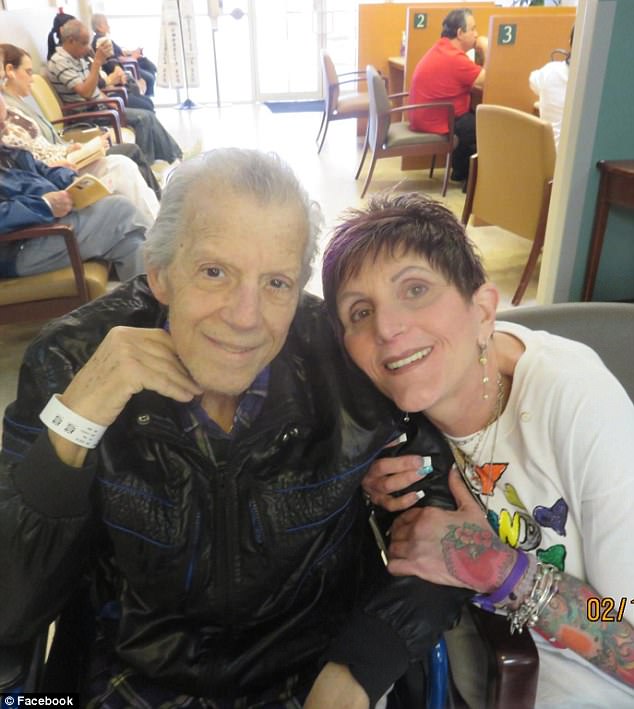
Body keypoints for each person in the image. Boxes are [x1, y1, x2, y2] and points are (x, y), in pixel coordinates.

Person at [0, 149, 471, 707]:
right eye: (214, 272)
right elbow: (10, 608)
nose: (245, 316)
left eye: (276, 283)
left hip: (309, 676)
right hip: (129, 680)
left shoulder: (345, 362)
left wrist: (359, 670)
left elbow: (443, 532)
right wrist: (79, 416)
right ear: (160, 273)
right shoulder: (72, 358)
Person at [321, 192, 634, 709]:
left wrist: (503, 571)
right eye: (361, 311)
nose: (387, 328)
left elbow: (626, 625)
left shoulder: (576, 401)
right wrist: (360, 484)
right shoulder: (392, 413)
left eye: (415, 289)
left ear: (483, 309)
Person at [0, 44, 159, 224]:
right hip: (57, 172)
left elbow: (34, 160)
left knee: (125, 164)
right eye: (28, 72)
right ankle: (158, 220)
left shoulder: (17, 106)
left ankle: (158, 214)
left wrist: (70, 151)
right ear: (10, 71)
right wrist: (48, 201)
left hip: (59, 165)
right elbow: (31, 171)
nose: (32, 79)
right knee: (124, 171)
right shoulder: (7, 113)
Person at [48, 19, 182, 164]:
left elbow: (94, 89)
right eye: (84, 43)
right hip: (85, 115)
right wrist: (97, 63)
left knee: (147, 114)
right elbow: (85, 92)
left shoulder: (76, 58)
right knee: (142, 118)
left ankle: (174, 156)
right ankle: (146, 164)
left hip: (98, 107)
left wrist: (109, 102)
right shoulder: (59, 61)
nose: (87, 48)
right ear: (71, 41)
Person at [409, 8, 487, 183]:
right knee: (488, 126)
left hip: (428, 115)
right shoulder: (454, 57)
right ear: (460, 33)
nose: (476, 34)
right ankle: (471, 180)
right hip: (437, 119)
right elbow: (487, 80)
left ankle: (460, 172)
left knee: (472, 117)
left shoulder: (442, 48)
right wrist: (487, 47)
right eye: (473, 29)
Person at [91, 12, 157, 98]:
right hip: (122, 68)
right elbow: (112, 61)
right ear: (99, 27)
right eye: (106, 23)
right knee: (149, 78)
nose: (108, 26)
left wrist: (132, 52)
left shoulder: (105, 39)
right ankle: (146, 98)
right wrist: (133, 57)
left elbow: (119, 52)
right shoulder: (101, 42)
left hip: (125, 62)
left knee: (148, 65)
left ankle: (146, 99)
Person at [529, 27, 574, 151]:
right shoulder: (596, 82)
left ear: (570, 42)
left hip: (547, 154)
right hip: (574, 157)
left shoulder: (550, 71)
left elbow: (533, 81)